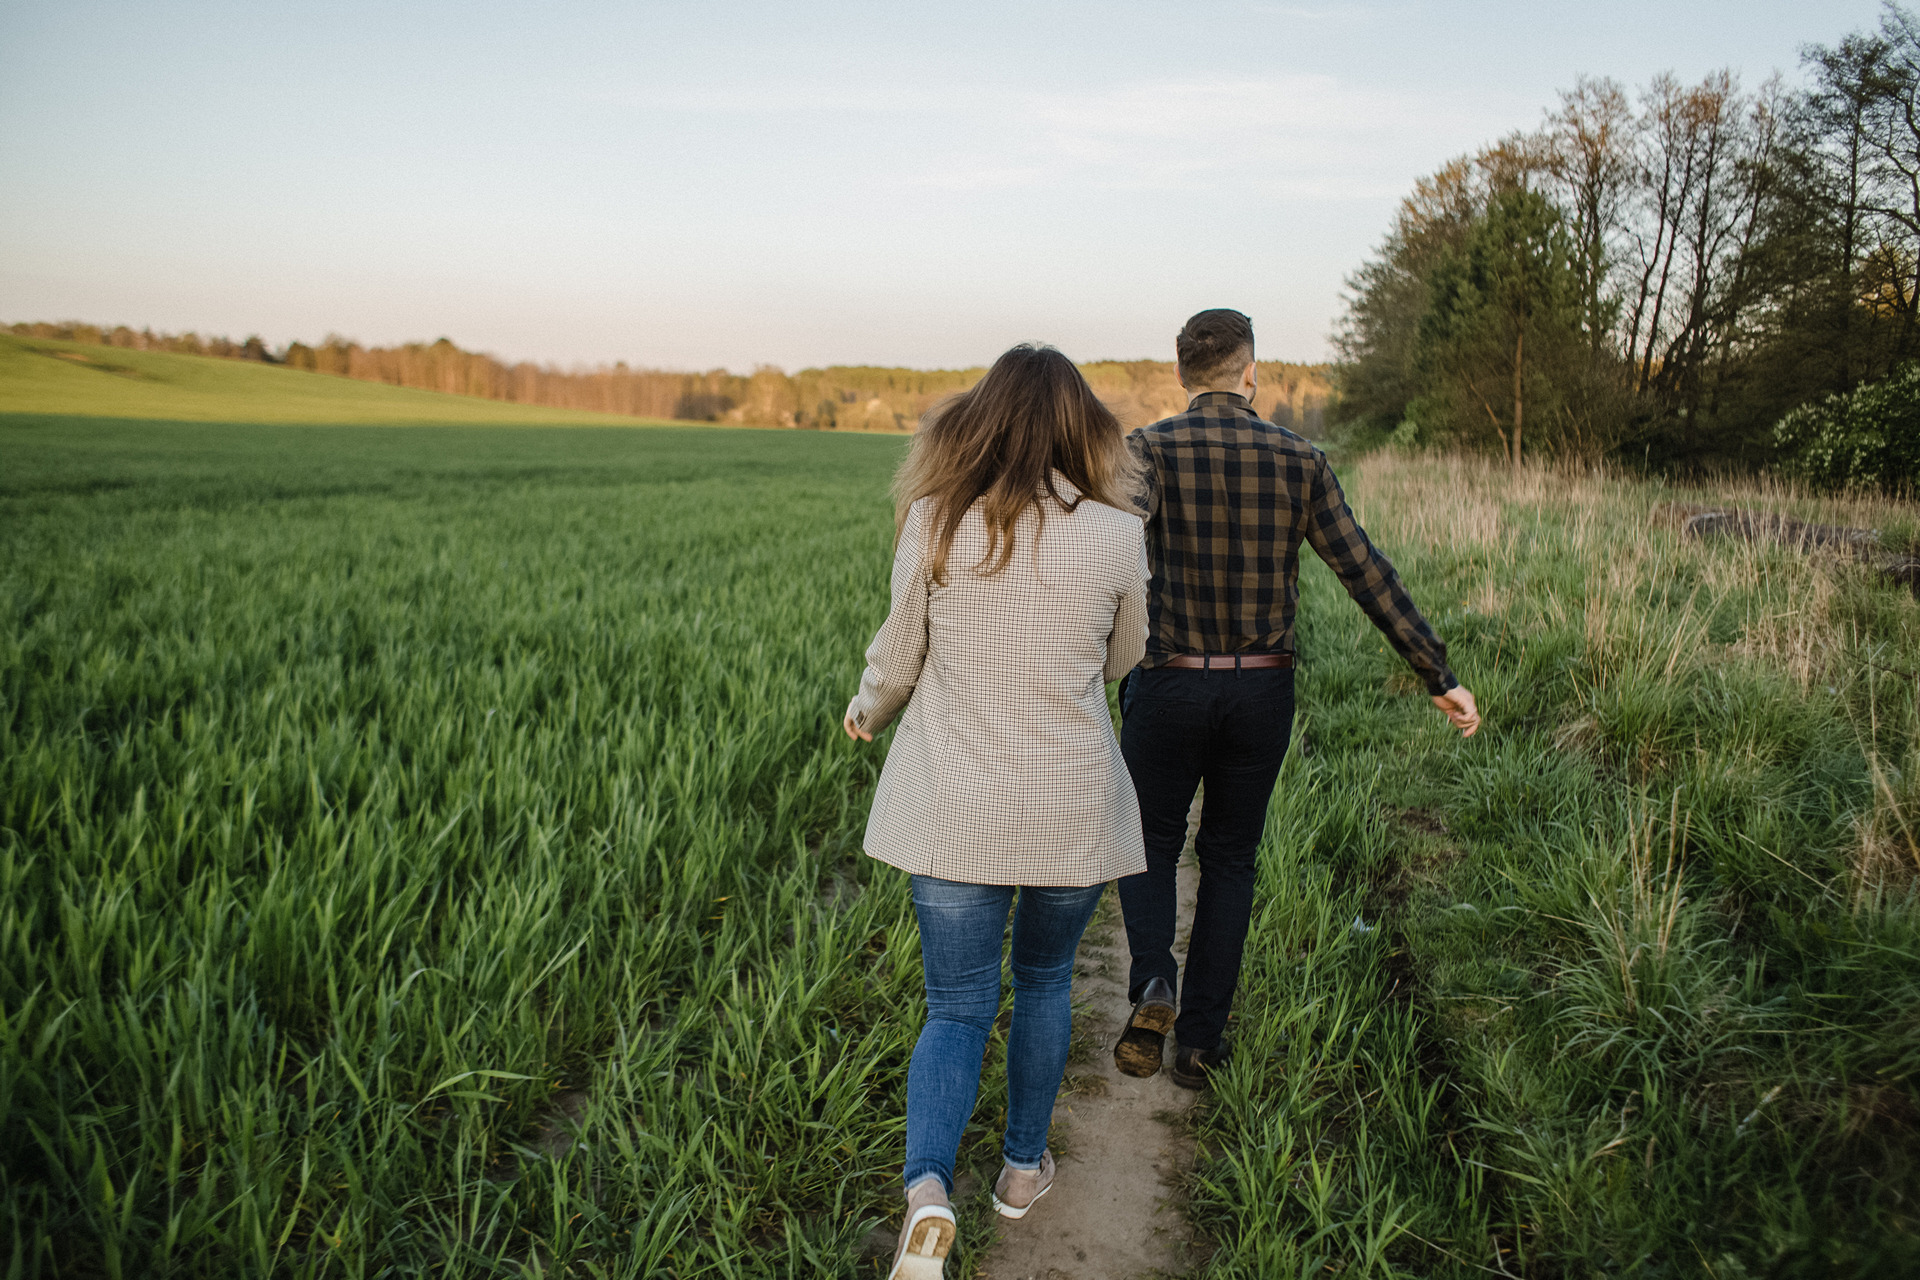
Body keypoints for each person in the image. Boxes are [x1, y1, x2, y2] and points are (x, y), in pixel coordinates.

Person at [1111, 308, 1480, 1091]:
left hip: (1171, 679)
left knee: (1145, 839)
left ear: (1182, 375)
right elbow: (1364, 571)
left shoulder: (1145, 450)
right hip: (1259, 689)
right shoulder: (1299, 458)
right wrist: (1437, 673)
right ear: (1251, 373)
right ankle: (1202, 1044)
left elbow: (1093, 559)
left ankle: (1152, 981)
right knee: (1231, 859)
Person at [842, 343, 1150, 1280]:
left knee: (957, 1007)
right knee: (1047, 983)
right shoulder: (1115, 533)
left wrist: (866, 708)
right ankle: (1020, 1174)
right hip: (1070, 808)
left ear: (979, 420)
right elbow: (1122, 658)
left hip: (954, 811)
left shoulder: (934, 519)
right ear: (1080, 429)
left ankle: (929, 1195)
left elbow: (899, 657)